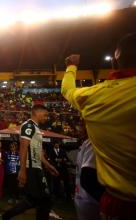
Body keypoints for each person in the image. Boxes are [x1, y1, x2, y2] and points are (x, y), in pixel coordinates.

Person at [62, 33, 136, 219]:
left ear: (114, 64)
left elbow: (67, 89)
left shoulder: (92, 96)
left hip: (116, 205)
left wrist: (72, 65)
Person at [0, 104, 59, 220]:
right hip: (31, 168)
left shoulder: (37, 128)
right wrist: (23, 170)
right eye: (45, 115)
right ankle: (5, 216)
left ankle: (5, 217)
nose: (46, 118)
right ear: (36, 113)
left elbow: (38, 151)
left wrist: (48, 165)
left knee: (35, 199)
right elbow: (23, 147)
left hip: (37, 167)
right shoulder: (28, 126)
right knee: (44, 199)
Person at [74, 122, 104, 220]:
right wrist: (104, 199)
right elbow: (88, 177)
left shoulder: (86, 142)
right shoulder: (92, 142)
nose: (78, 129)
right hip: (90, 200)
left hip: (82, 196)